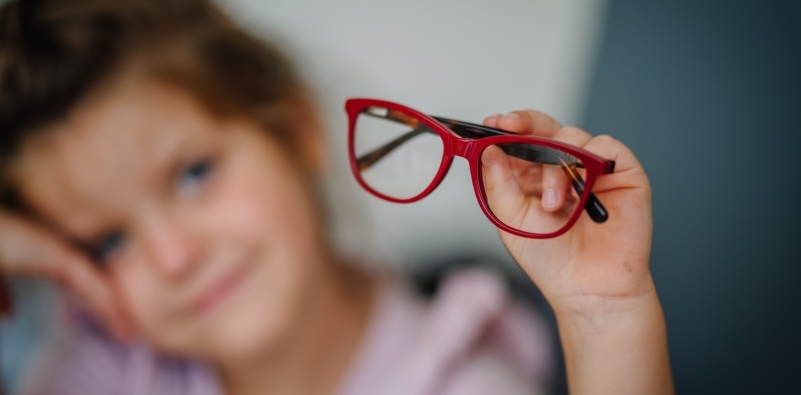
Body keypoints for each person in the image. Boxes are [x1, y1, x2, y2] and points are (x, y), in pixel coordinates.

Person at [0, 0, 673, 394]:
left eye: (193, 175)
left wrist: (603, 322)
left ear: (294, 130)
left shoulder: (461, 377)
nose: (174, 256)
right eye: (107, 241)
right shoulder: (100, 367)